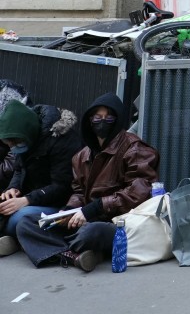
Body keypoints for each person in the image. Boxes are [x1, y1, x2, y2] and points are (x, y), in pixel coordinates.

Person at [14, 93, 158, 271]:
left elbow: (140, 192)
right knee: (26, 224)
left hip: (117, 221)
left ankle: (66, 248)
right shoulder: (82, 156)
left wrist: (94, 208)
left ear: (118, 120)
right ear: (90, 120)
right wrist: (67, 212)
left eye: (109, 117)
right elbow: (79, 192)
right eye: (97, 117)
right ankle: (74, 256)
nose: (102, 122)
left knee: (91, 233)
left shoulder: (134, 148)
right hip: (85, 218)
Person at [0, 97, 81, 258]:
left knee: (20, 218)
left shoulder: (62, 141)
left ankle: (17, 238)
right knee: (6, 208)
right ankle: (16, 238)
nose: (13, 148)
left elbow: (63, 186)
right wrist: (13, 188)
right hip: (34, 196)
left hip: (60, 204)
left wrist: (26, 200)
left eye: (14, 144)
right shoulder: (25, 137)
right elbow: (19, 169)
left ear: (27, 134)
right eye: (9, 145)